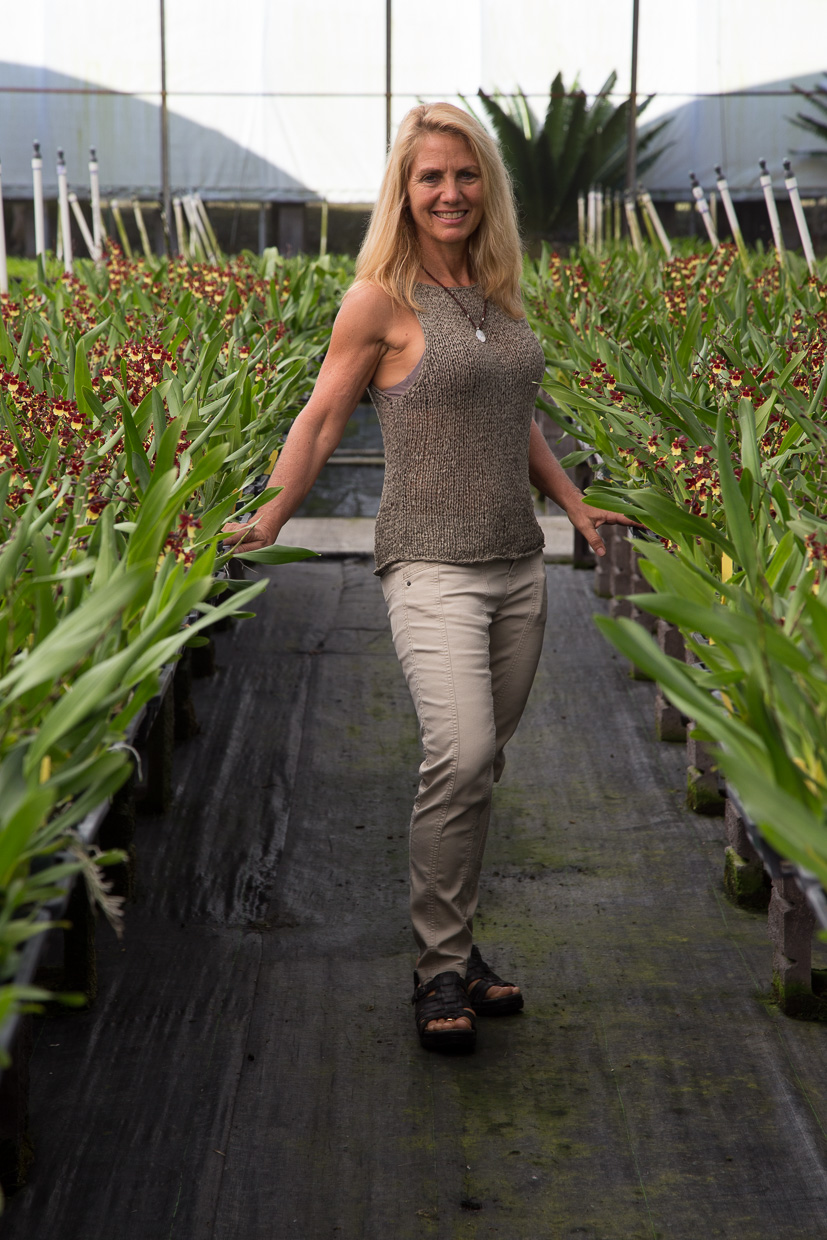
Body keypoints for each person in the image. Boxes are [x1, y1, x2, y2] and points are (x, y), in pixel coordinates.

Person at [223, 102, 636, 1054]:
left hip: (516, 567)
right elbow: (323, 419)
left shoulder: (496, 295)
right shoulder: (379, 299)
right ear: (402, 194)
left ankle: (459, 950)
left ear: (486, 185)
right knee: (457, 754)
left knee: (479, 769)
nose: (448, 192)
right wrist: (271, 516)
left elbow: (514, 418)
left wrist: (572, 508)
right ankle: (435, 972)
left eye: (464, 175)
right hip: (428, 565)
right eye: (429, 178)